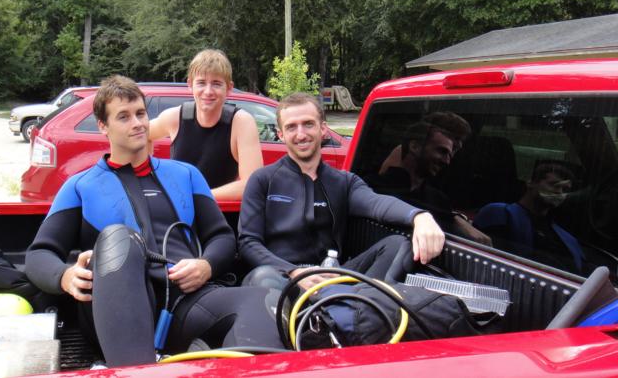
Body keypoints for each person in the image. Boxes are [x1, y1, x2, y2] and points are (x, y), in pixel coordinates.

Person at [25, 76, 283, 368]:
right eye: (123, 117)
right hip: (116, 307)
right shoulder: (80, 186)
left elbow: (222, 237)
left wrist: (205, 265)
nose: (137, 123)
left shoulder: (185, 175)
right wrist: (64, 276)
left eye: (140, 113)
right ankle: (135, 370)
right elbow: (38, 255)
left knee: (263, 302)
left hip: (183, 301)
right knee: (118, 237)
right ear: (103, 126)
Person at [238, 92, 446, 291]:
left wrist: (419, 216)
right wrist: (294, 272)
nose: (301, 134)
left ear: (323, 129)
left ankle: (360, 305)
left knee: (397, 245)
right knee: (261, 277)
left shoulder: (343, 182)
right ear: (281, 134)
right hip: (281, 278)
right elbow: (248, 243)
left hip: (334, 277)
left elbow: (376, 204)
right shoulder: (263, 180)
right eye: (292, 127)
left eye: (308, 124)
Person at [149, 49, 263, 200]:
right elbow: (139, 135)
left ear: (229, 88)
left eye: (216, 84)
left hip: (223, 214)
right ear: (190, 85)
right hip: (182, 212)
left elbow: (252, 183)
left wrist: (198, 196)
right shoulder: (175, 117)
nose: (208, 91)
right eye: (201, 83)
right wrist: (149, 174)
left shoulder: (241, 122)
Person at [365, 120, 492, 245]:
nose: (447, 161)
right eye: (442, 151)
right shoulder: (372, 188)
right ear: (414, 147)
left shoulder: (440, 200)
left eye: (453, 151)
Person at [474, 161, 585, 273]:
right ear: (531, 183)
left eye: (565, 190)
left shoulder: (569, 240)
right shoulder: (500, 213)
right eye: (553, 184)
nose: (559, 192)